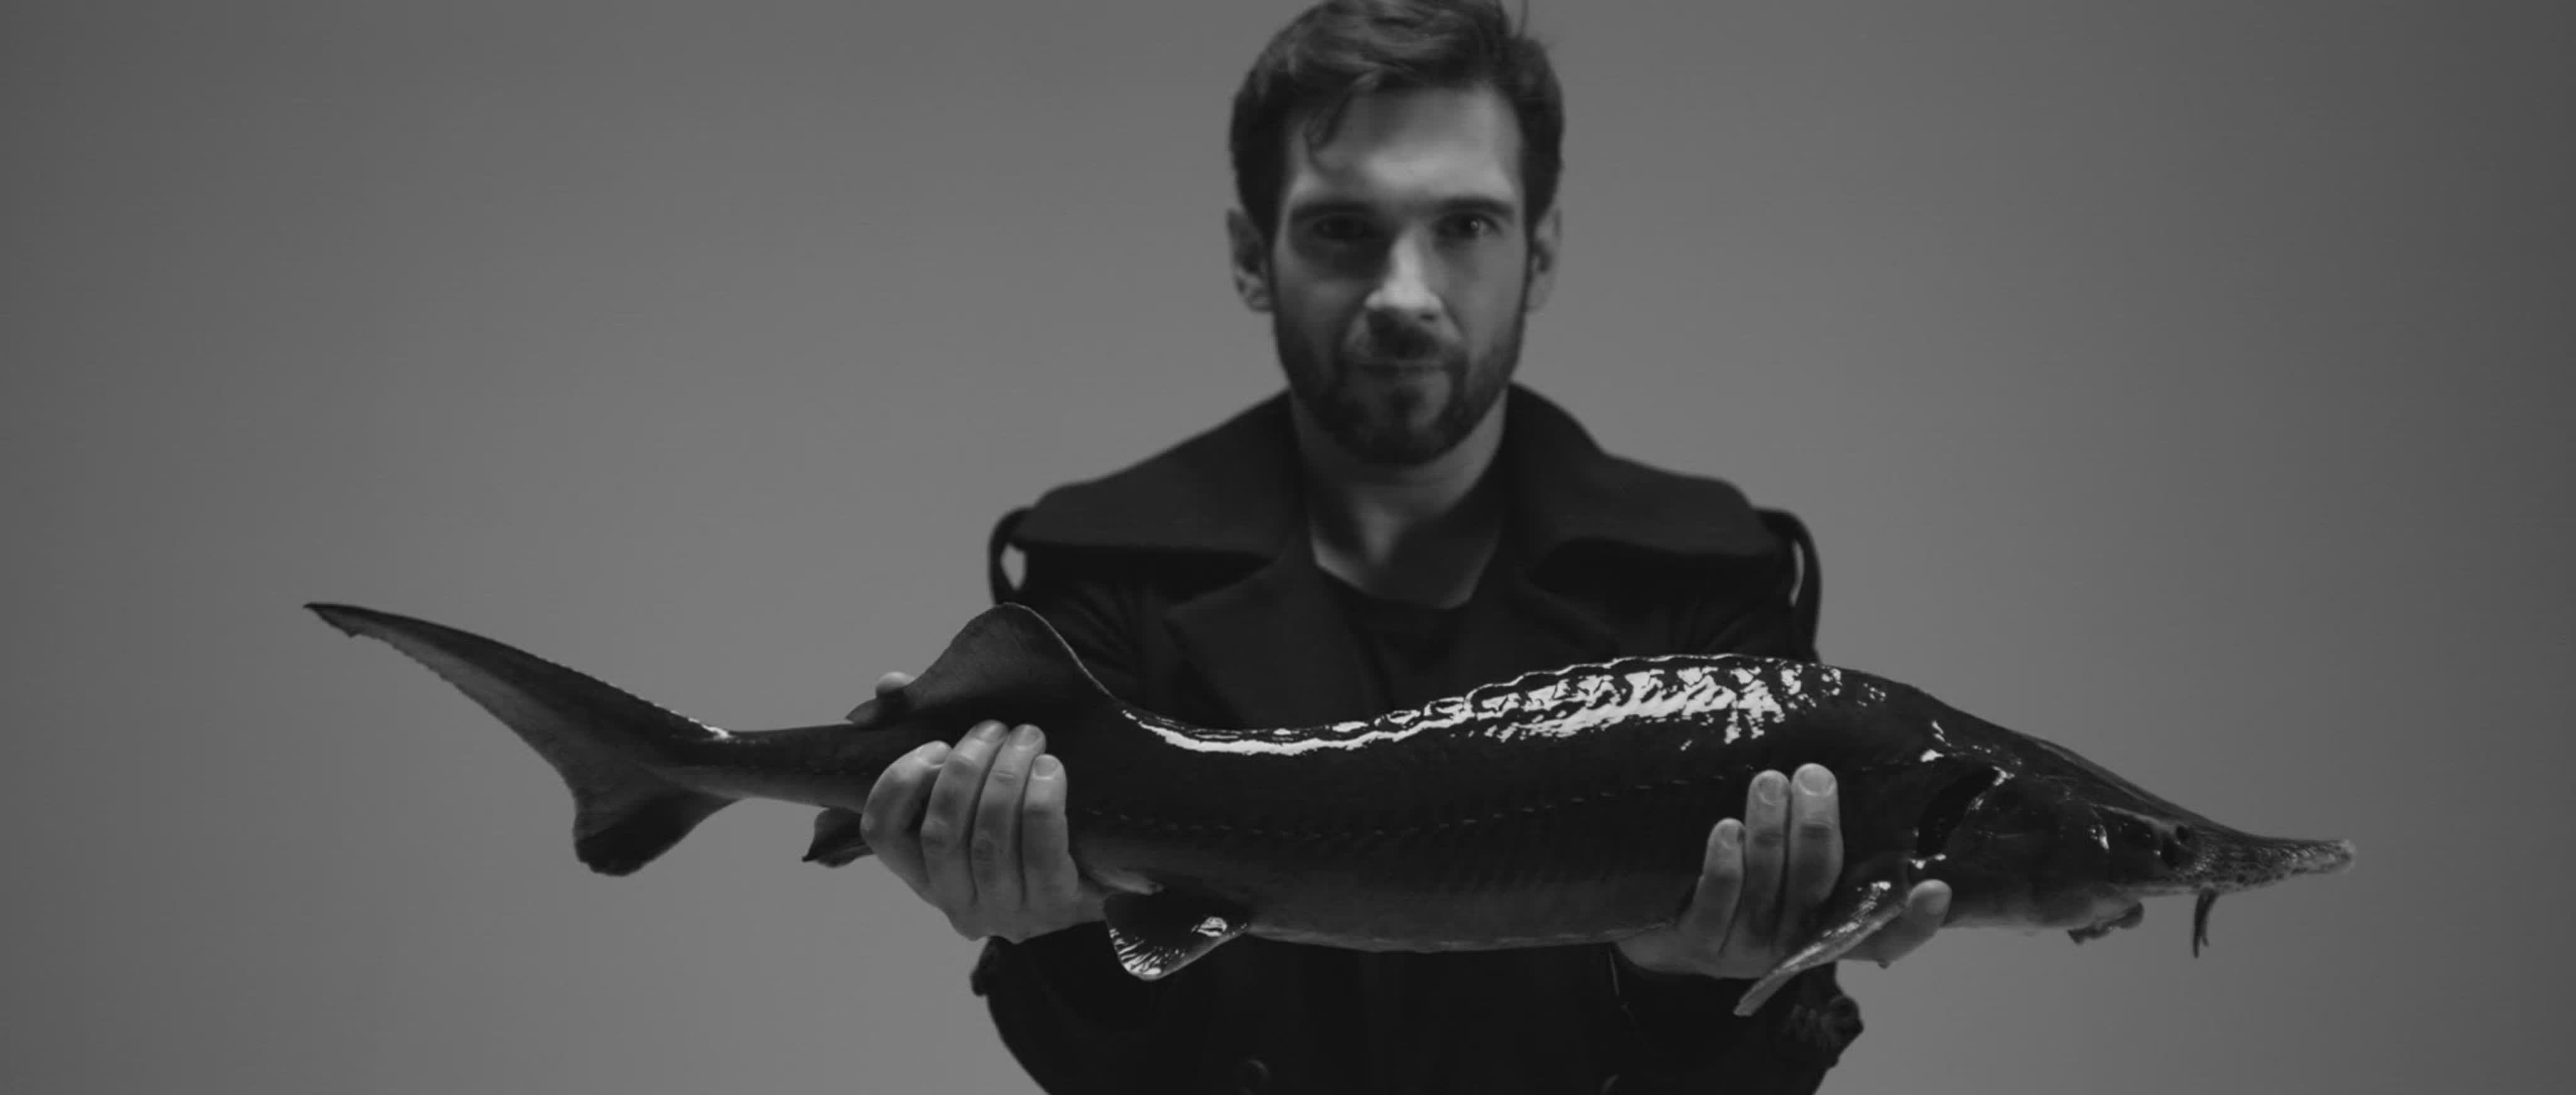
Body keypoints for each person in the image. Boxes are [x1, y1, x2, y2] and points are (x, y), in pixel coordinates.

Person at [855, 2, 1950, 1090]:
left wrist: (1692, 983)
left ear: (1540, 253)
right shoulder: (1106, 568)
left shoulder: (1707, 584)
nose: (1404, 294)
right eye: (1343, 228)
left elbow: (1770, 1061)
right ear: (1251, 255)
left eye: (1464, 225)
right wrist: (1049, 933)